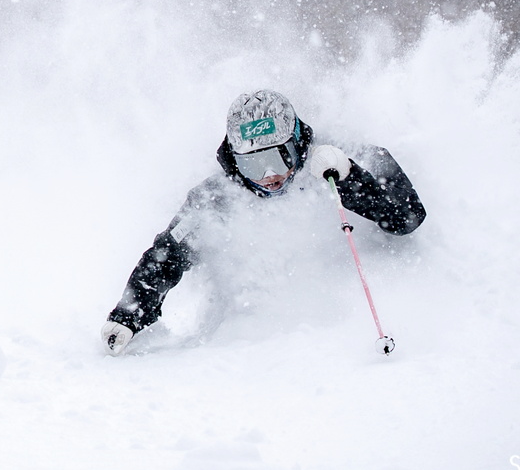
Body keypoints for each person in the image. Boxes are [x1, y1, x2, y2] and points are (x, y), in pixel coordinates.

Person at [101, 89, 427, 355]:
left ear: (296, 142)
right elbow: (165, 256)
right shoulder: (216, 199)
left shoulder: (336, 160)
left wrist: (350, 177)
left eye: (277, 158)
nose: (269, 175)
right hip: (249, 346)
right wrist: (128, 316)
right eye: (253, 164)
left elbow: (407, 217)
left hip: (339, 335)